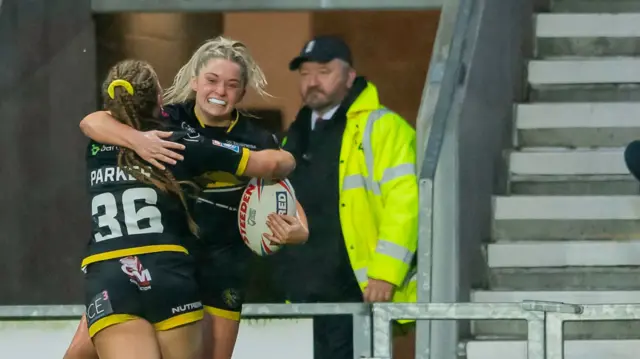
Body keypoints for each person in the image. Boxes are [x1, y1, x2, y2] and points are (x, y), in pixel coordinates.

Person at [65, 37, 308, 359]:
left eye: (232, 85)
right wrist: (138, 140)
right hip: (164, 255)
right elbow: (92, 121)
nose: (220, 91)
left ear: (242, 92)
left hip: (220, 263)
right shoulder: (167, 120)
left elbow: (283, 186)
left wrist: (300, 231)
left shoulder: (255, 138)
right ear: (194, 81)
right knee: (79, 353)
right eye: (212, 80)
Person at [275, 35, 419, 359]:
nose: (312, 82)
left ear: (349, 77)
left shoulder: (383, 128)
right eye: (305, 74)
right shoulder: (293, 136)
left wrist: (385, 272)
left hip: (356, 290)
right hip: (300, 291)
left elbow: (404, 203)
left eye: (324, 72)